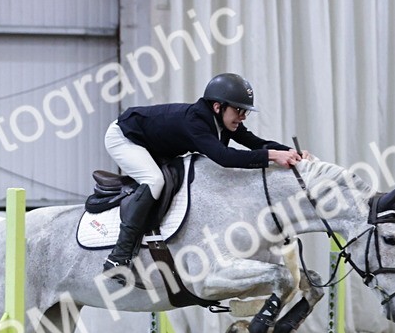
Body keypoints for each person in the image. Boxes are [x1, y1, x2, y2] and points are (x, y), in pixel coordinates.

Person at [102, 72, 304, 279]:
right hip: (124, 137)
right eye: (239, 110)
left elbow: (255, 142)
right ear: (218, 107)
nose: (243, 116)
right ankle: (118, 257)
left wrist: (291, 152)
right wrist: (272, 155)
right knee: (154, 180)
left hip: (153, 143)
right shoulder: (195, 121)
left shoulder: (224, 120)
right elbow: (223, 157)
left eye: (245, 112)